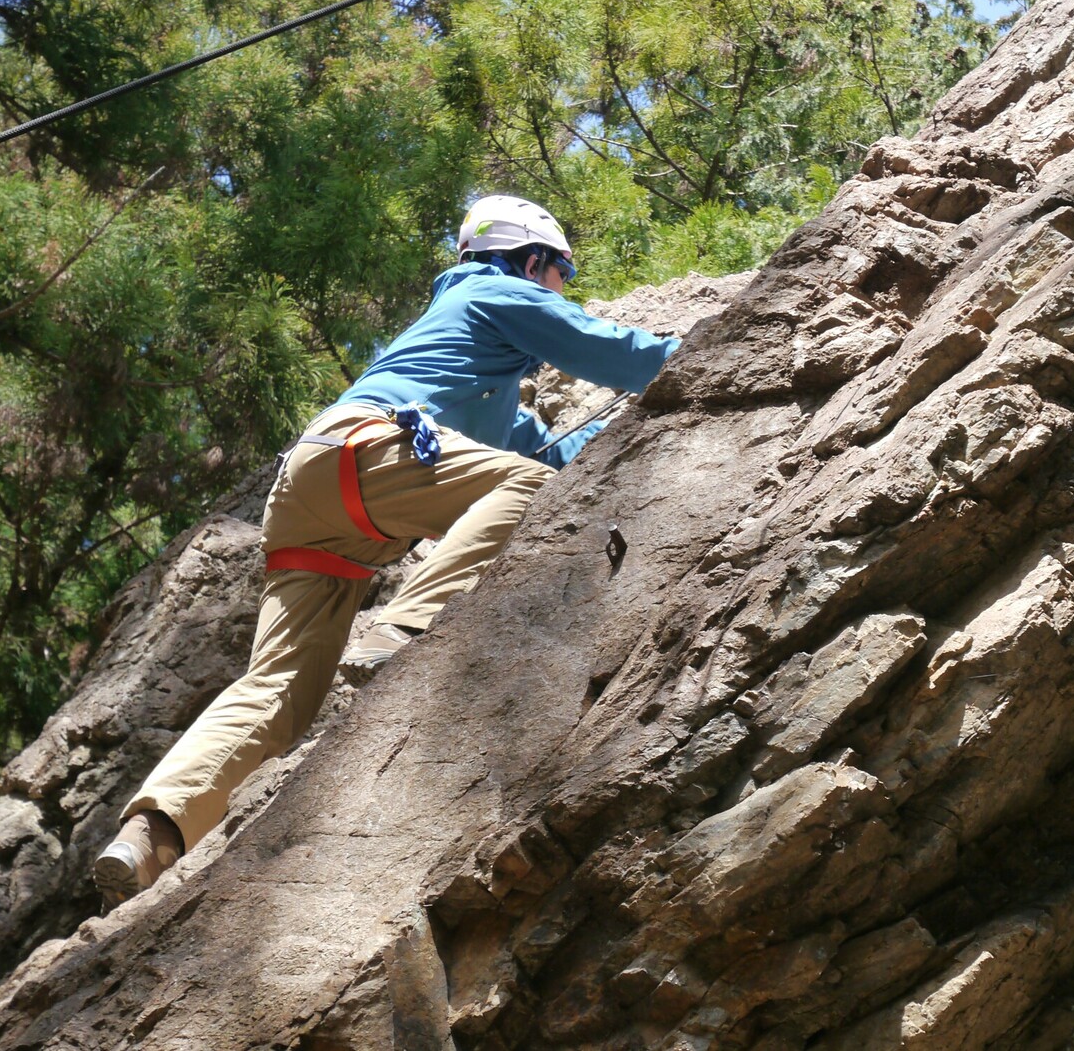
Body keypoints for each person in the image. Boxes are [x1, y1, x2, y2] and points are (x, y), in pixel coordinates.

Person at [93, 195, 679, 907]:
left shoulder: (472, 371)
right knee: (529, 493)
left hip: (312, 495)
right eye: (560, 273)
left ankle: (149, 834)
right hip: (367, 455)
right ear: (533, 262)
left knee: (281, 691)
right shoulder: (494, 291)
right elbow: (612, 353)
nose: (563, 288)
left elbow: (555, 453)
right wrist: (704, 352)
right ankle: (401, 632)